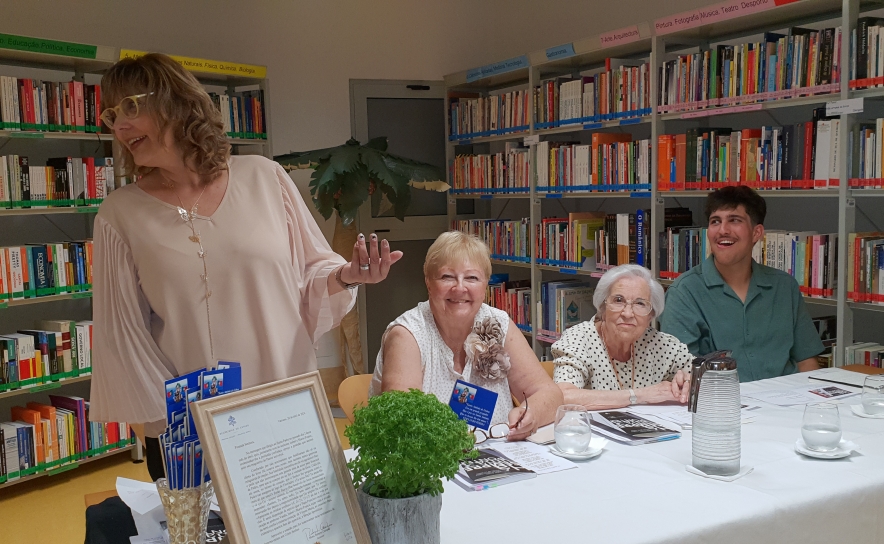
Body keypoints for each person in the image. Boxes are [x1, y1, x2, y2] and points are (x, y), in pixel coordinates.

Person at [89, 53, 402, 481]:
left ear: (177, 102)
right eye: (110, 115)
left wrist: (345, 275)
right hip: (192, 430)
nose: (120, 127)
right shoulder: (118, 215)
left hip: (286, 411)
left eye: (131, 107)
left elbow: (310, 271)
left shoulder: (265, 178)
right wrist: (175, 421)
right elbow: (124, 334)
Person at [370, 231, 563, 441]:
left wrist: (530, 415)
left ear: (485, 285)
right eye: (447, 277)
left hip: (499, 457)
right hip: (431, 465)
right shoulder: (407, 335)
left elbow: (550, 395)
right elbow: (402, 423)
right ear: (428, 282)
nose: (460, 288)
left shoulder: (498, 323)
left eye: (471, 278)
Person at [660, 186, 824, 381]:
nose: (722, 230)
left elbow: (807, 361)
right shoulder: (684, 292)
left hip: (788, 404)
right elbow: (681, 374)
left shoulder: (784, 286)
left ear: (756, 233)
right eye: (715, 222)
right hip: (722, 404)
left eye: (734, 220)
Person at [552, 264, 694, 409]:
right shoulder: (578, 339)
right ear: (603, 307)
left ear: (651, 315)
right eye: (618, 300)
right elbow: (563, 397)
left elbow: (708, 380)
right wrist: (640, 395)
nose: (627, 313)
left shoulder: (662, 345)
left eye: (640, 303)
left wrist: (689, 382)